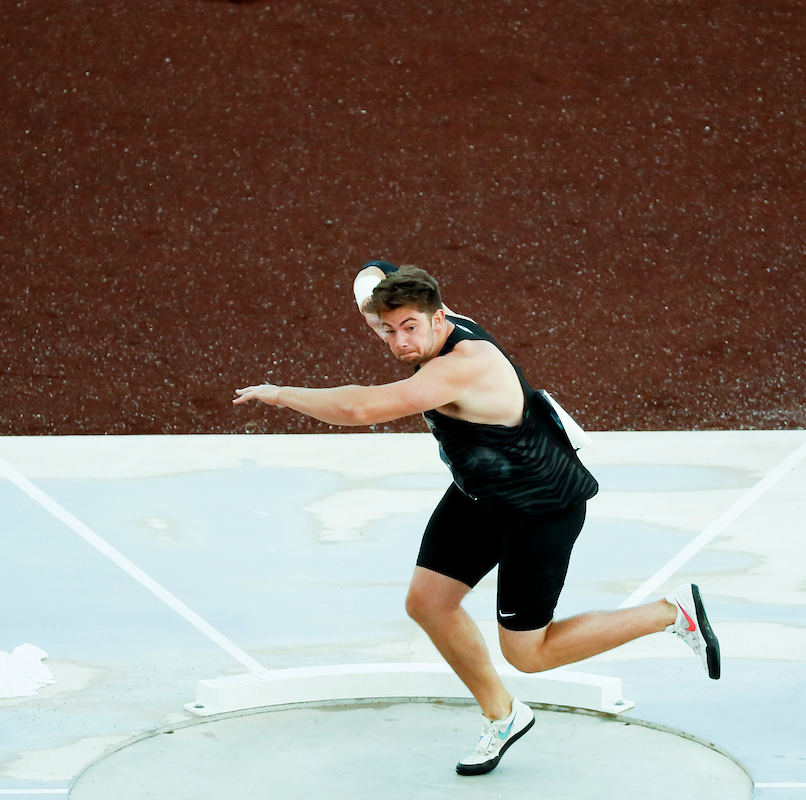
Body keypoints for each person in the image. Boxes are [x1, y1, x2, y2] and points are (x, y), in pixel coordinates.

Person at [234, 260, 720, 776]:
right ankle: (504, 716)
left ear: (439, 317)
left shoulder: (461, 364)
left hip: (540, 505)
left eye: (409, 328)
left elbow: (360, 409)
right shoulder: (423, 314)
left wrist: (281, 393)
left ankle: (671, 614)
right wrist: (373, 289)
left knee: (528, 654)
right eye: (387, 330)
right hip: (481, 492)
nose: (399, 342)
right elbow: (384, 274)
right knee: (428, 603)